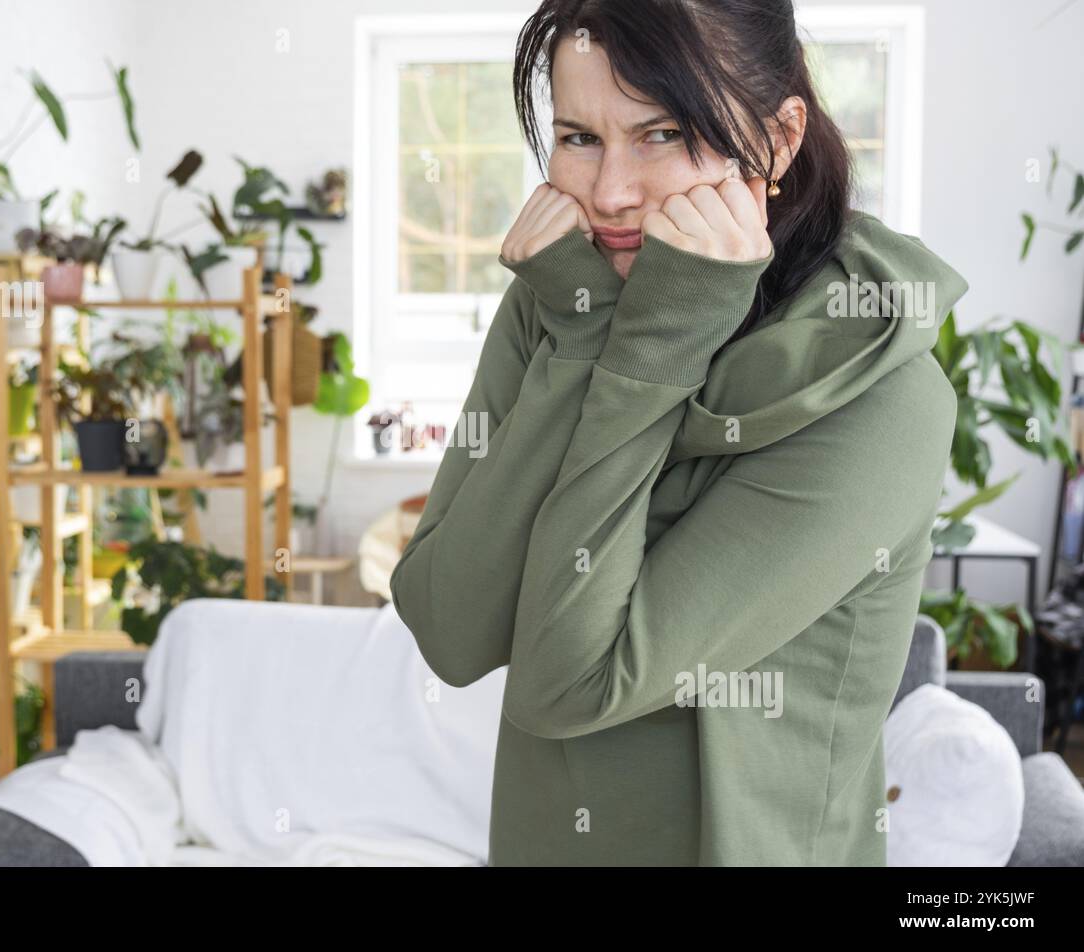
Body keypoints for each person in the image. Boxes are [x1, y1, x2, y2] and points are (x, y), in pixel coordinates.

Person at [389, 0, 968, 865]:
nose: (611, 191)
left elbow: (567, 684)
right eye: (580, 136)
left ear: (776, 141)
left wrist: (656, 347)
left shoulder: (880, 396)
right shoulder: (559, 301)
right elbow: (447, 626)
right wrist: (584, 343)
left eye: (661, 134)